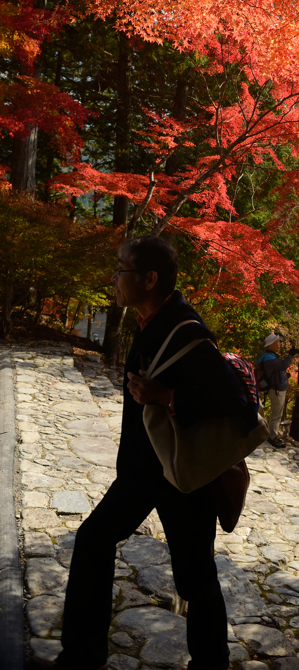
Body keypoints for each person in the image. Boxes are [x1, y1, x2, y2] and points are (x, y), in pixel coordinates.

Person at [31, 235, 254, 670]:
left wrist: (168, 396)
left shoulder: (187, 331)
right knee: (93, 541)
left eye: (122, 270)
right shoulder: (149, 322)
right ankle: (81, 654)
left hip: (182, 478)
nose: (114, 277)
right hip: (141, 473)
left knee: (194, 576)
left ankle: (212, 663)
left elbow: (238, 406)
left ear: (149, 279)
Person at [255, 331, 299, 448]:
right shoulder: (269, 358)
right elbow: (283, 365)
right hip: (276, 390)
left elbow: (278, 370)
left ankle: (271, 434)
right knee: (276, 414)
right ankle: (272, 437)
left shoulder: (270, 356)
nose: (279, 344)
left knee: (276, 413)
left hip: (277, 389)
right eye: (277, 342)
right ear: (270, 345)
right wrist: (291, 355)